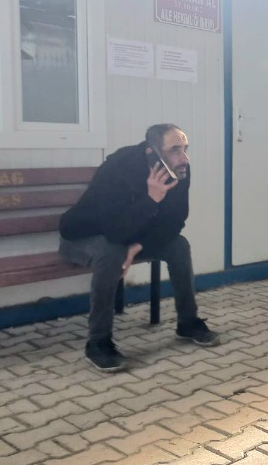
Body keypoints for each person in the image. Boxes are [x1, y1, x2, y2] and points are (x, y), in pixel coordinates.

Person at [59, 123, 220, 373]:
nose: (184, 158)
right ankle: (98, 343)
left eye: (185, 149)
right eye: (175, 150)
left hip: (129, 237)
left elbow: (175, 221)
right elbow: (114, 231)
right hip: (82, 238)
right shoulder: (118, 168)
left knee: (178, 245)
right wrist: (151, 199)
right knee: (111, 252)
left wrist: (138, 247)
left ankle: (188, 323)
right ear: (151, 152)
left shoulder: (178, 170)